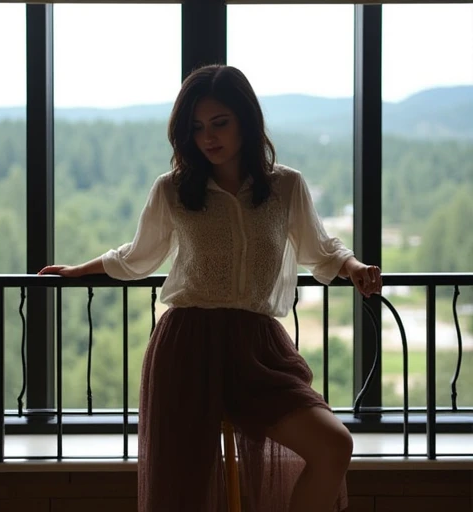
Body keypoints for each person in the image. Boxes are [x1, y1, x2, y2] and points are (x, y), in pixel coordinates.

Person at [39, 64, 382, 512]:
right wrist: (79, 271)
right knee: (184, 490)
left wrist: (354, 266)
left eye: (220, 123)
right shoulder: (174, 190)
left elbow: (320, 250)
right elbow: (138, 256)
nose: (208, 137)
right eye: (196, 127)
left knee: (333, 445)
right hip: (188, 345)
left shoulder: (285, 187)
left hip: (259, 347)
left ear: (246, 120)